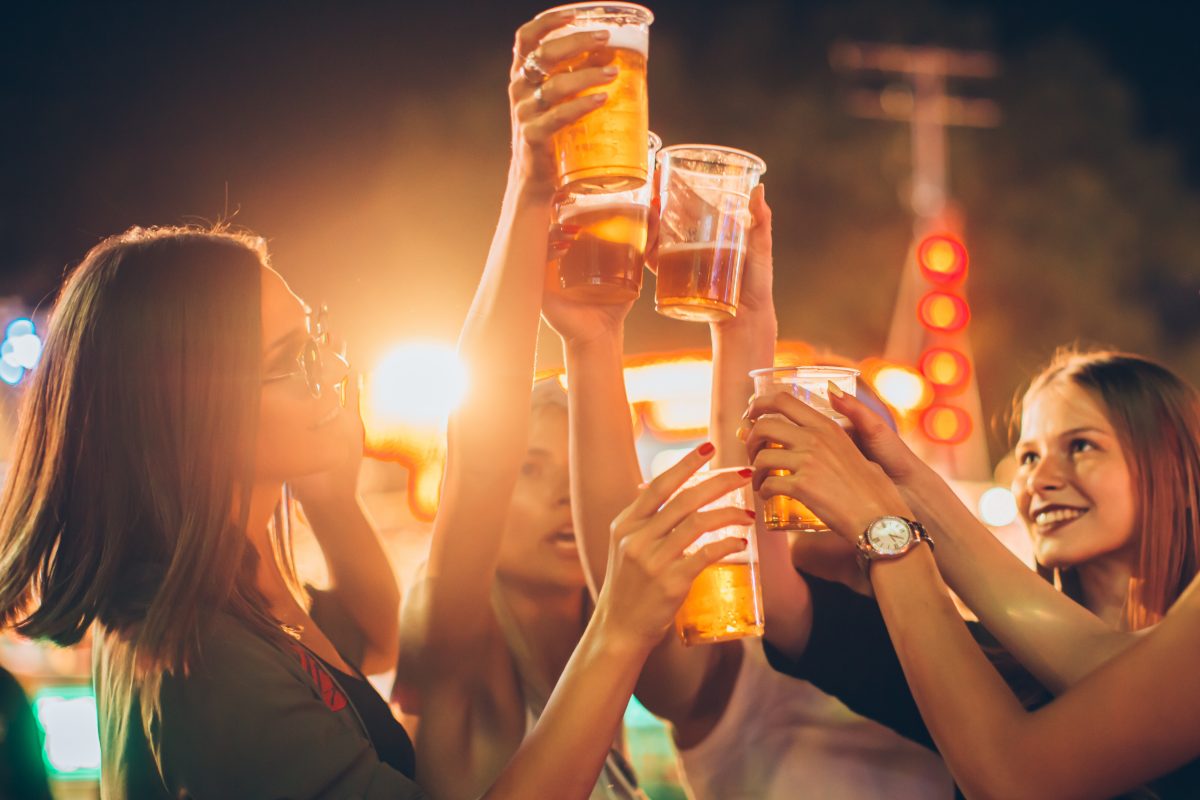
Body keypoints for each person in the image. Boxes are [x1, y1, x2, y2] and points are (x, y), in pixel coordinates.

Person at [0, 11, 751, 799]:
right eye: (291, 360)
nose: (333, 369)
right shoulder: (201, 661)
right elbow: (476, 461)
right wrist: (620, 628)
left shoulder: (250, 587)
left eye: (317, 336)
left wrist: (536, 197)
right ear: (191, 414)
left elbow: (453, 489)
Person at [548, 179, 953, 798]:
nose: (821, 466)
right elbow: (632, 582)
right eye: (796, 442)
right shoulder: (739, 658)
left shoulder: (955, 662)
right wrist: (595, 341)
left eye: (854, 447)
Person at [745, 349, 1200, 797]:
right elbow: (1109, 663)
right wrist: (905, 483)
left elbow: (1016, 778)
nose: (1038, 480)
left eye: (1081, 445)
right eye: (1027, 457)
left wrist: (884, 529)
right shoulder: (1004, 664)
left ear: (1178, 468)